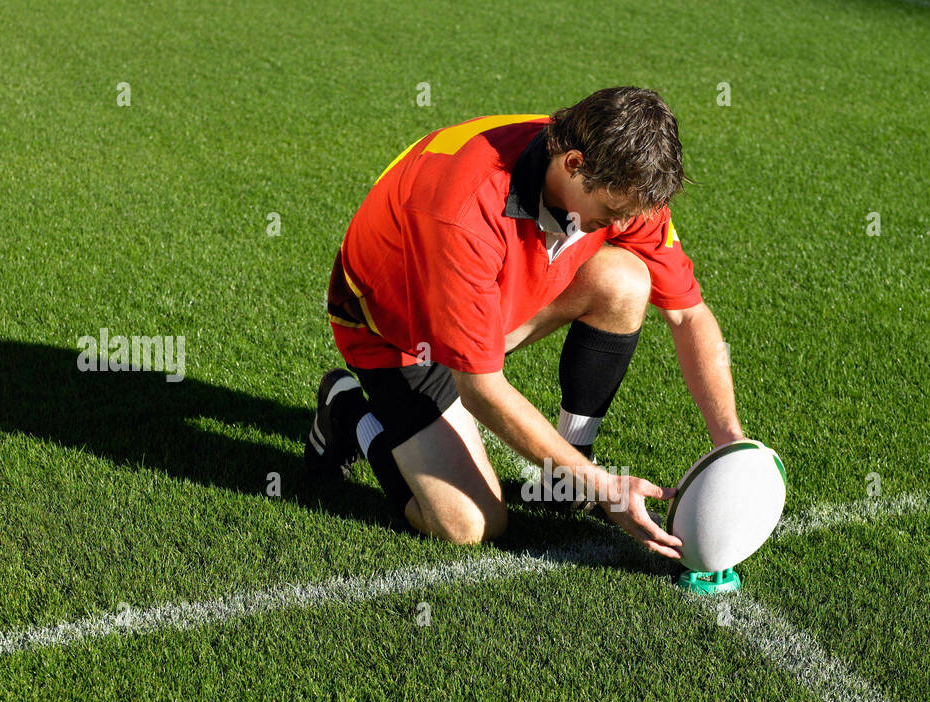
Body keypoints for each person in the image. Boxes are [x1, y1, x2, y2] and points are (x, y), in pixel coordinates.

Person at [306, 86, 746, 560]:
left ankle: (565, 481)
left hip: (487, 304)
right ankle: (351, 413)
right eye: (612, 214)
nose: (623, 223)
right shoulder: (462, 210)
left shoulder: (619, 176)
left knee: (625, 280)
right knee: (469, 524)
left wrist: (730, 441)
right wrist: (605, 488)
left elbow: (686, 313)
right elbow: (480, 387)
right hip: (398, 335)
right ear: (573, 165)